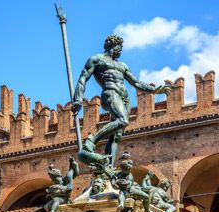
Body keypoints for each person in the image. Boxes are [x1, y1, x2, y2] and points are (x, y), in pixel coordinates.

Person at [72, 35, 171, 167]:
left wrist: (156, 90)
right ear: (113, 46)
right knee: (123, 120)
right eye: (120, 48)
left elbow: (136, 83)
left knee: (116, 135)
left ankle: (108, 168)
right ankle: (91, 141)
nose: (121, 51)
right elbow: (83, 79)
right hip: (110, 94)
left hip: (124, 98)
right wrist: (78, 99)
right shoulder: (96, 60)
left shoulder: (122, 65)